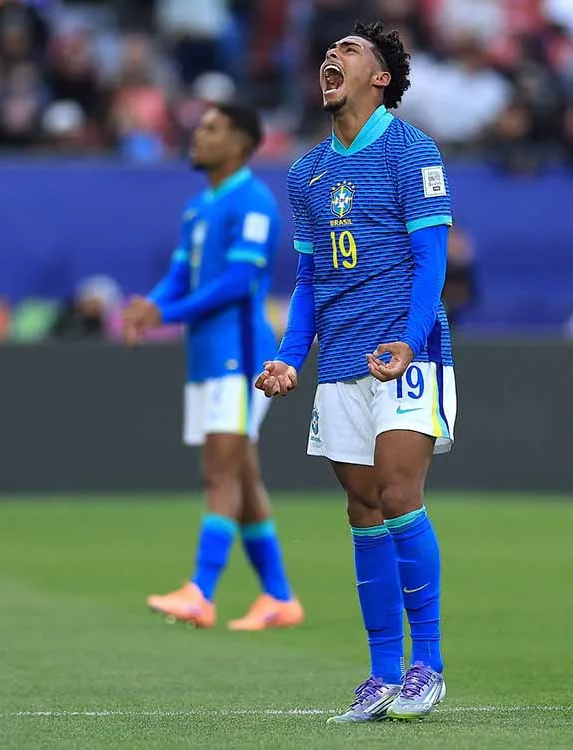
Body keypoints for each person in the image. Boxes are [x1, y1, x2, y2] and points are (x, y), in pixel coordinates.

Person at [256, 21, 455, 723]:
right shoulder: (306, 173)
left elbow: (433, 260)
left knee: (400, 493)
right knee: (362, 509)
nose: (330, 58)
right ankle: (380, 674)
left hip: (407, 355)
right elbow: (309, 280)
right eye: (329, 50)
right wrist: (288, 354)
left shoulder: (410, 152)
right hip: (340, 360)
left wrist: (409, 338)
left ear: (381, 78)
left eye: (350, 51)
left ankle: (426, 665)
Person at [124, 103, 303, 632]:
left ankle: (201, 591)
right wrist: (149, 307)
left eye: (211, 129)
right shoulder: (199, 208)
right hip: (207, 356)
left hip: (243, 357)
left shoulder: (253, 200)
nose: (197, 136)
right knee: (242, 477)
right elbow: (179, 276)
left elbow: (238, 283)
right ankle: (278, 597)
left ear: (242, 144)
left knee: (219, 472)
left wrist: (166, 314)